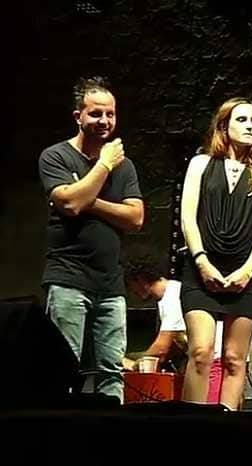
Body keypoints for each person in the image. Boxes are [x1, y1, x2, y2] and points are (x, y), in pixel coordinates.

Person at [38, 76, 144, 402]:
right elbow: (69, 204)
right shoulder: (56, 156)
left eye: (110, 114)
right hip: (68, 279)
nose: (104, 121)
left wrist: (88, 200)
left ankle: (112, 428)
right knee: (63, 367)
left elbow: (135, 218)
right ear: (78, 116)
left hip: (110, 285)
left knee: (112, 370)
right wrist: (104, 165)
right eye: (96, 113)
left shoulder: (125, 167)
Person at [179, 97, 252, 410]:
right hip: (202, 268)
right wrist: (201, 261)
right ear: (224, 126)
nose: (250, 126)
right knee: (201, 351)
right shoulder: (201, 164)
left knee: (235, 359)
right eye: (242, 120)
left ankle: (227, 425)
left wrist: (248, 271)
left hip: (246, 272)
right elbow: (187, 217)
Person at [124, 260, 187, 372]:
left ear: (141, 280)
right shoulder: (167, 296)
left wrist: (133, 365)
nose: (132, 292)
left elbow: (161, 348)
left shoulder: (172, 297)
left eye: (130, 286)